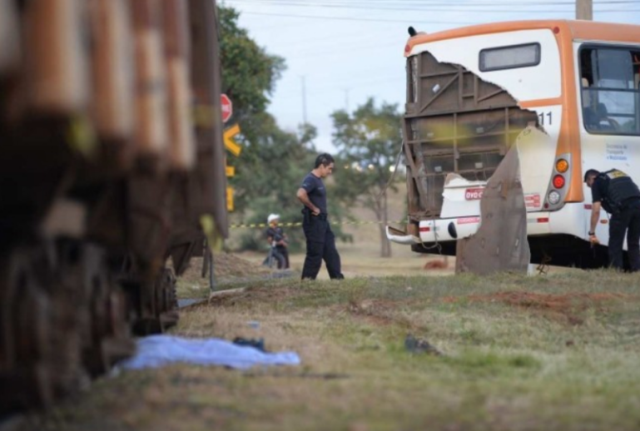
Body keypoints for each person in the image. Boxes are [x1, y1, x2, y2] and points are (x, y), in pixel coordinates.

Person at [296, 153, 344, 280]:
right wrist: (312, 207)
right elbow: (300, 194)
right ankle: (307, 282)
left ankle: (338, 279)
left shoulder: (318, 180)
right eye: (329, 168)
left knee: (331, 252)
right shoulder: (311, 179)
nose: (330, 171)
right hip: (313, 222)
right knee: (315, 254)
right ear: (322, 166)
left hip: (323, 222)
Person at [585, 168, 640, 271]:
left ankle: (616, 271)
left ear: (591, 178)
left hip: (622, 208)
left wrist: (591, 233)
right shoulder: (618, 174)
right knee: (633, 242)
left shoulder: (597, 181)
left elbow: (596, 209)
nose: (591, 187)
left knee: (615, 242)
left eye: (589, 185)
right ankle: (637, 270)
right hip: (638, 205)